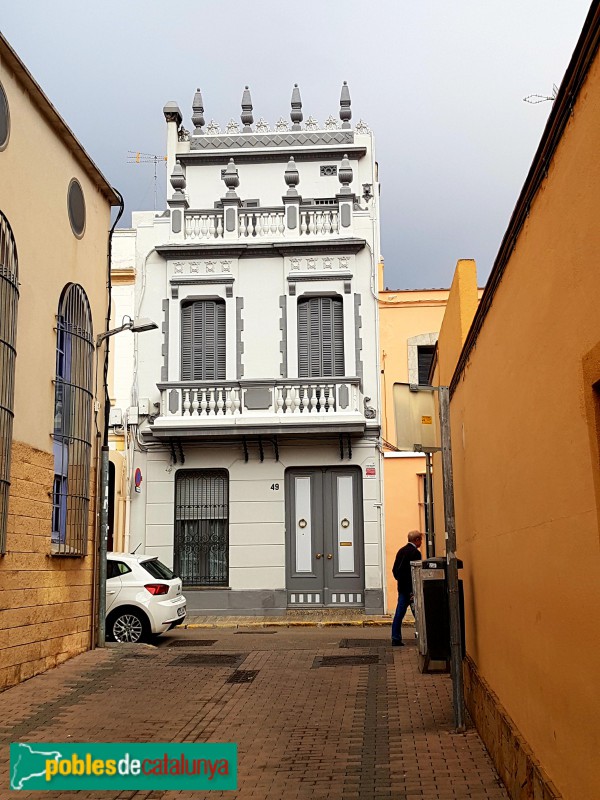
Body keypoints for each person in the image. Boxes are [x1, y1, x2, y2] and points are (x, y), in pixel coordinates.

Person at [391, 530, 423, 646]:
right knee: (419, 615)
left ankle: (395, 638)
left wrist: (400, 580)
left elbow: (394, 570)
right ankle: (423, 637)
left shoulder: (401, 551)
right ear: (416, 540)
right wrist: (413, 590)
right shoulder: (415, 553)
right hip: (411, 590)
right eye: (420, 540)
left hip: (402, 588)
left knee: (399, 614)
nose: (421, 542)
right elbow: (416, 573)